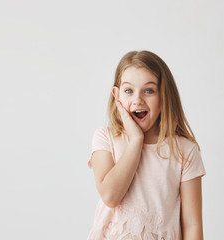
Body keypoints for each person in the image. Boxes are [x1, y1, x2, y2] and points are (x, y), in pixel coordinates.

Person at [87, 50, 206, 240]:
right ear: (116, 95)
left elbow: (192, 224)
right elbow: (110, 196)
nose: (137, 99)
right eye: (129, 91)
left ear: (164, 95)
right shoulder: (106, 138)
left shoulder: (185, 151)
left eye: (149, 90)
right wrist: (136, 140)